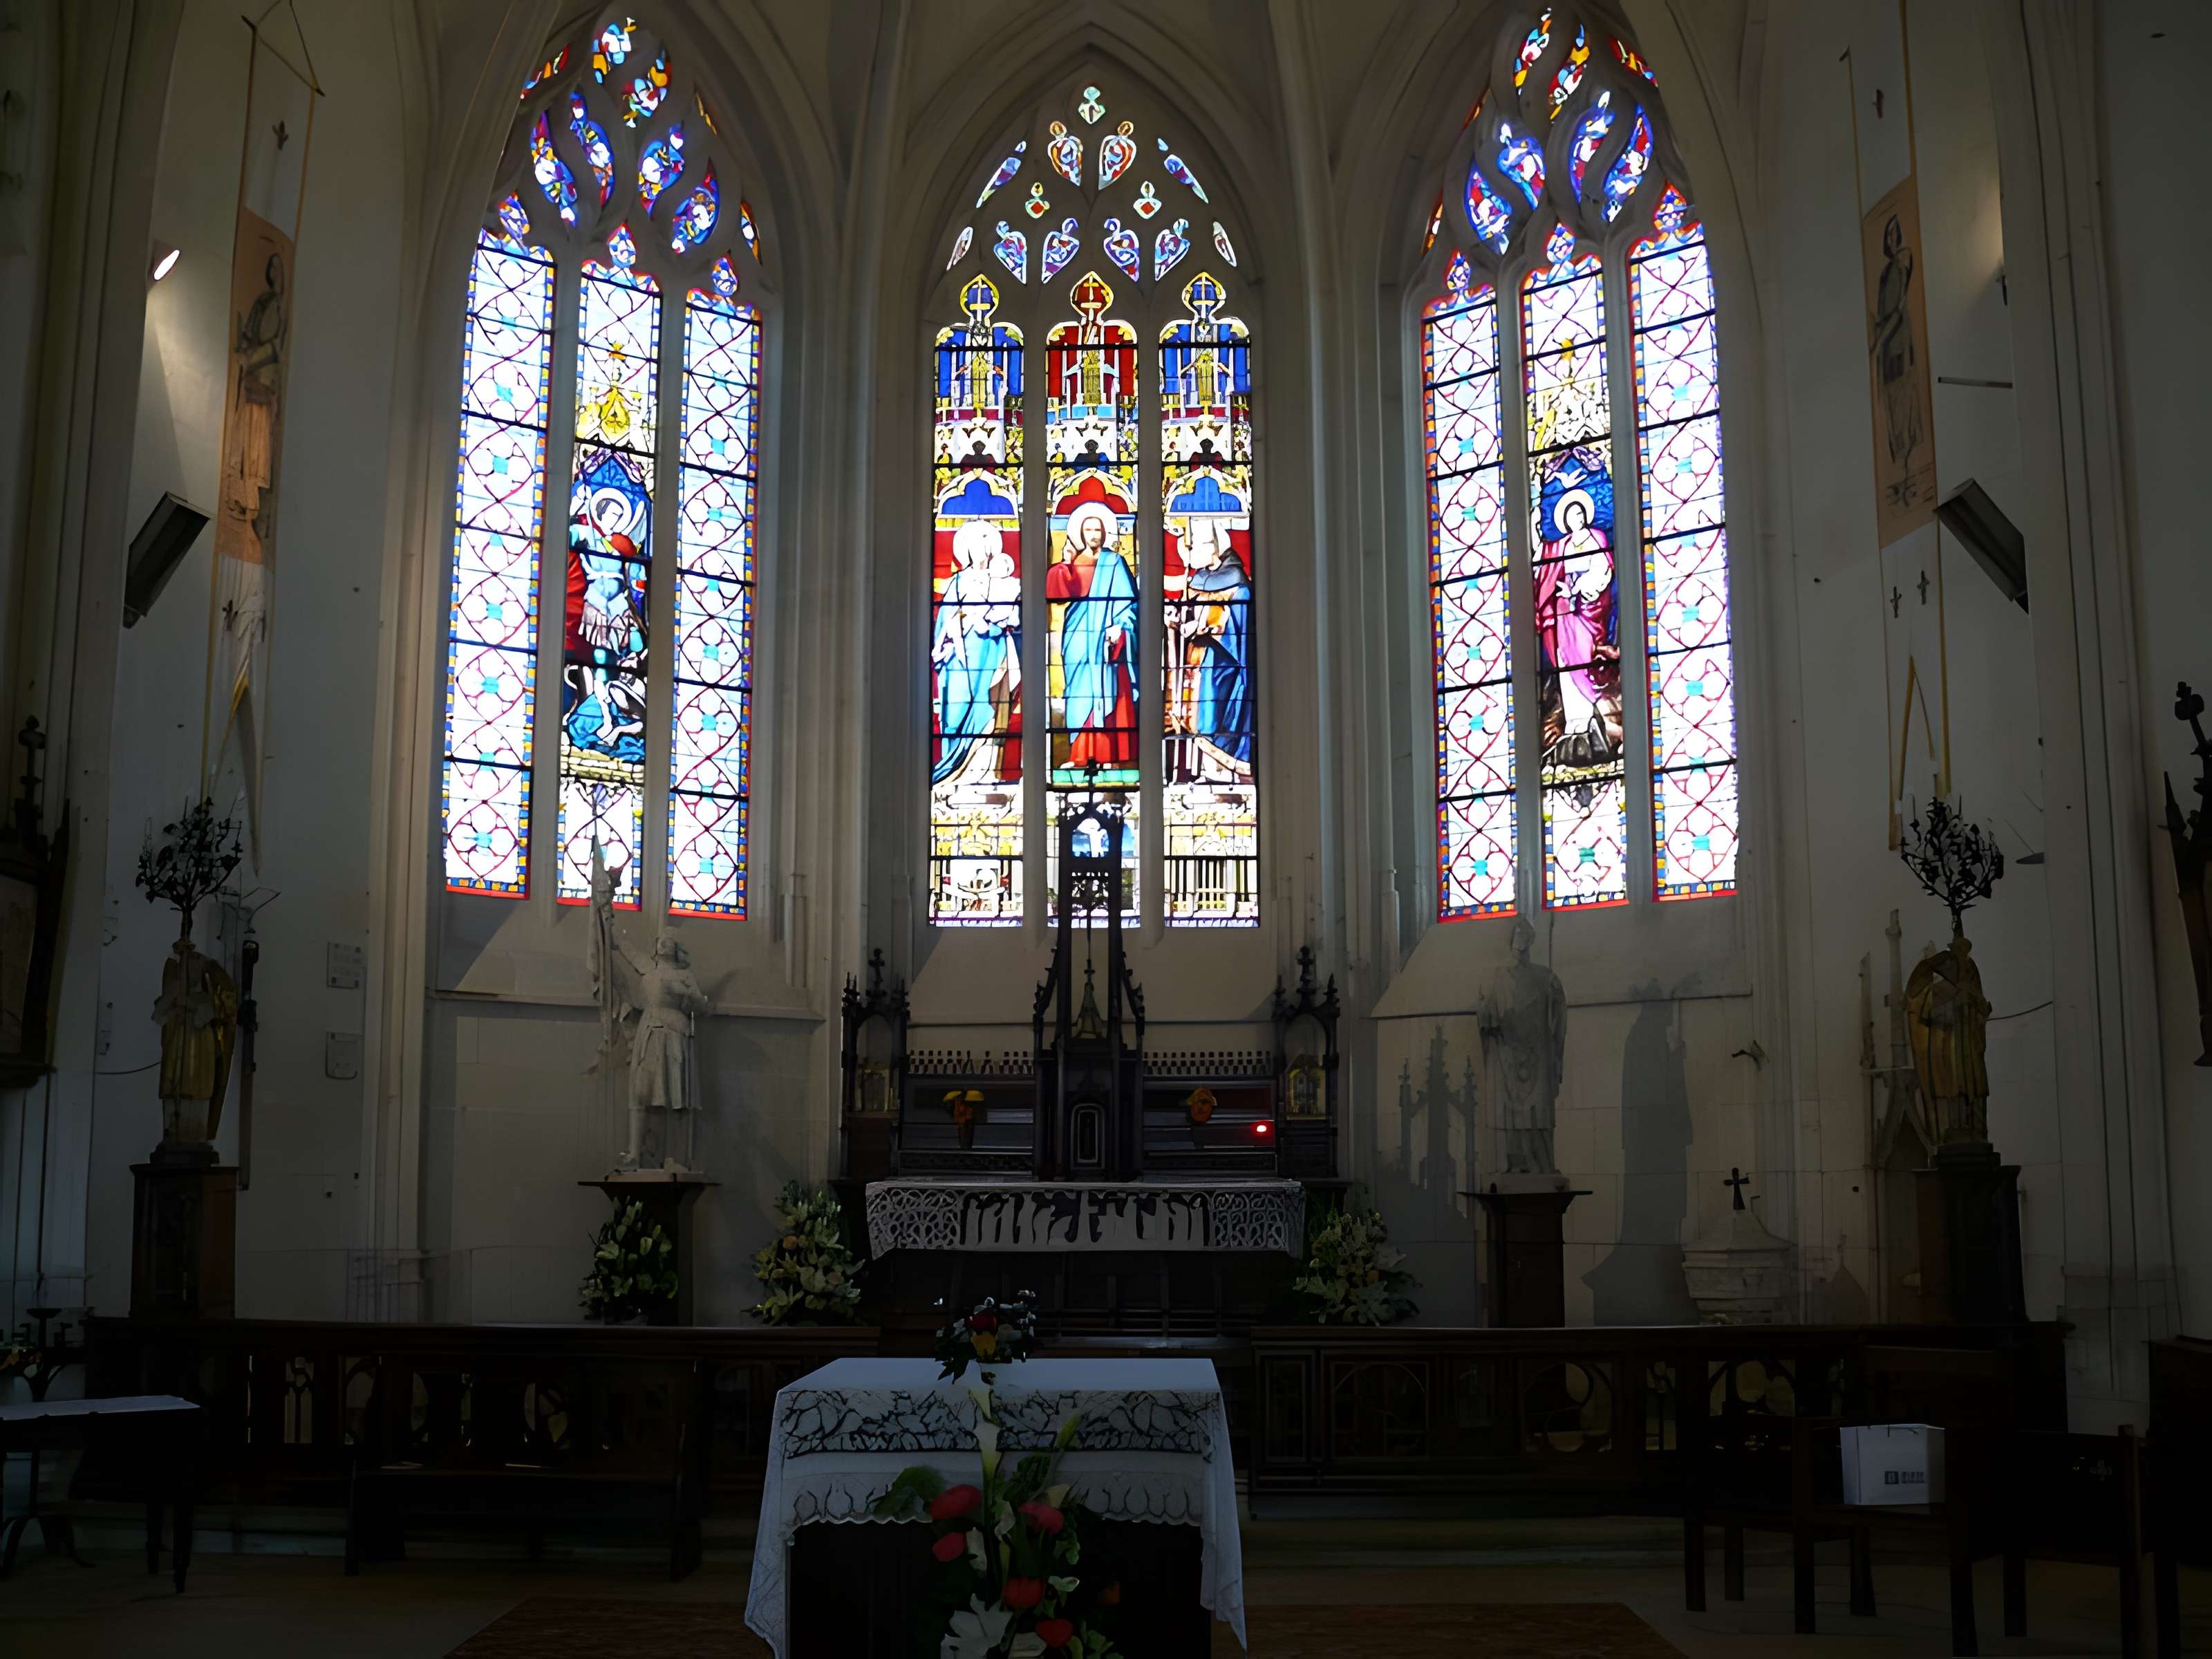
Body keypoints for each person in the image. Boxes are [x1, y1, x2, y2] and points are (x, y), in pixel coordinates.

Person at [1047, 501, 1137, 771]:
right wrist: (1065, 561)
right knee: (1078, 691)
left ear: (1105, 533)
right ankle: (1078, 755)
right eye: (1088, 529)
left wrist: (1120, 628)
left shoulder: (1114, 562)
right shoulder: (1075, 563)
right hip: (1076, 636)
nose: (1094, 535)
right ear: (1081, 534)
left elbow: (1129, 604)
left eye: (1098, 529)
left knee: (1105, 691)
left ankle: (1106, 755)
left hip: (1104, 642)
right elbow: (1057, 592)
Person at [932, 521, 1021, 785]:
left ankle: (984, 774)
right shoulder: (957, 583)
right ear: (966, 551)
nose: (980, 551)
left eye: (985, 545)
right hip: (960, 661)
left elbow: (1013, 618)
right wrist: (960, 623)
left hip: (992, 651)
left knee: (992, 709)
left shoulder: (1004, 582)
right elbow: (945, 623)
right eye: (974, 546)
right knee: (957, 711)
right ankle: (952, 775)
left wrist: (997, 617)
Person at [1172, 516, 1252, 775]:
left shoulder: (1237, 580)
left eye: (1198, 545)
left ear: (1215, 546)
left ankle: (1223, 776)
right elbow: (1194, 613)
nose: (1194, 551)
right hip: (1200, 660)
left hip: (1226, 664)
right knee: (1199, 718)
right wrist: (1177, 621)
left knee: (1215, 716)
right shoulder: (1201, 577)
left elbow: (1238, 621)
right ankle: (1205, 773)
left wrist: (1207, 627)